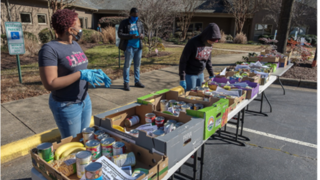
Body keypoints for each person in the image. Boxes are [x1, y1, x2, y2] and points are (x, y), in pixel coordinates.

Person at [38, 9, 111, 138]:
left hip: (84, 100)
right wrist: (81, 74)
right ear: (70, 29)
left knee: (85, 138)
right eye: (79, 25)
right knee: (73, 146)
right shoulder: (49, 49)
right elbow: (50, 83)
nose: (81, 28)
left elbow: (79, 67)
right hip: (67, 105)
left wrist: (92, 72)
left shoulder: (75, 44)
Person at [179, 23, 221, 91]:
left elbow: (208, 60)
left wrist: (211, 74)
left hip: (201, 74)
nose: (212, 43)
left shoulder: (209, 44)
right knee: (190, 95)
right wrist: (182, 78)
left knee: (200, 93)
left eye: (213, 42)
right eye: (211, 41)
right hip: (190, 74)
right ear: (207, 37)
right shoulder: (193, 42)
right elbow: (183, 60)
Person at [118, 8, 145, 91]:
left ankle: (137, 81)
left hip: (138, 47)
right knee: (127, 66)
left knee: (137, 66)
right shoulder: (124, 22)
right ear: (130, 14)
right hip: (129, 47)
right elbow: (120, 34)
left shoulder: (139, 22)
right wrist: (131, 36)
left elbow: (143, 32)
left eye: (137, 16)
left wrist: (142, 36)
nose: (135, 17)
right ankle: (126, 83)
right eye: (134, 16)